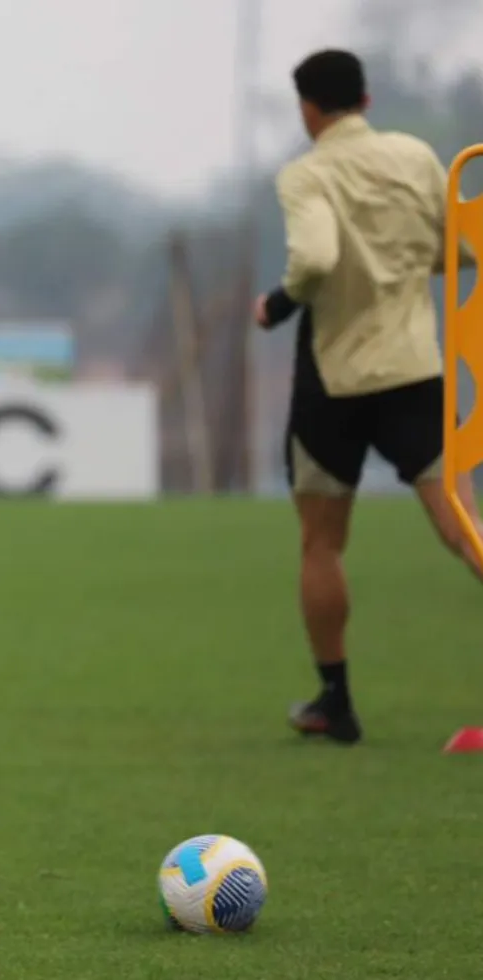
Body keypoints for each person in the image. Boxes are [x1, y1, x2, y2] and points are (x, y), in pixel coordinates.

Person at [255, 48, 483, 745]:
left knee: (321, 543)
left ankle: (335, 703)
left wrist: (279, 301)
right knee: (461, 524)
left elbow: (317, 258)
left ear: (308, 109)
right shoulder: (415, 157)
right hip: (414, 368)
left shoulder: (307, 174)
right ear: (368, 98)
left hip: (337, 380)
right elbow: (462, 248)